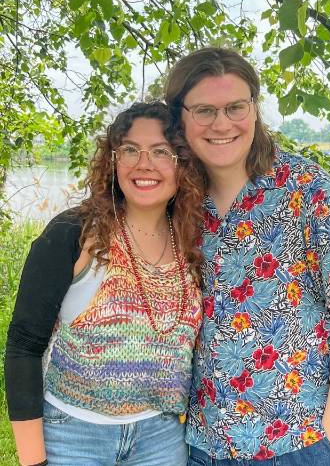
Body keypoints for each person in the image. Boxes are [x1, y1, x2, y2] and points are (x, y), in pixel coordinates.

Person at [165, 47, 330, 466]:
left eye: (235, 107)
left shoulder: (310, 192)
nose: (222, 123)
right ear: (180, 117)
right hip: (205, 444)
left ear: (255, 110)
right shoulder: (177, 201)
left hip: (298, 442)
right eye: (204, 110)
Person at [5, 102, 203, 466]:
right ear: (113, 160)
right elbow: (23, 346)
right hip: (72, 436)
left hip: (161, 438)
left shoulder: (193, 238)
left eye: (162, 151)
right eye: (130, 149)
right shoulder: (75, 233)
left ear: (183, 164)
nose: (144, 163)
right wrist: (33, 461)